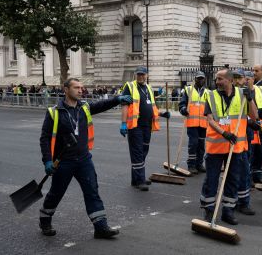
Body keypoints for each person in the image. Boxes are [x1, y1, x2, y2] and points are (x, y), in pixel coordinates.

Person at [39, 78, 132, 238]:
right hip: (63, 162)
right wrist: (47, 160)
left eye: (82, 87)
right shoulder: (54, 112)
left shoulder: (84, 107)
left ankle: (100, 227)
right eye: (76, 87)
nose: (81, 90)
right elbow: (45, 138)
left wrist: (117, 99)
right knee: (56, 193)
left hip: (83, 160)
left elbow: (101, 105)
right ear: (66, 89)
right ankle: (45, 219)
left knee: (92, 191)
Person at [200, 69, 258, 225]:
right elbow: (211, 120)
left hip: (235, 147)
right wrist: (224, 133)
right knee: (211, 179)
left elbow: (254, 117)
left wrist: (250, 99)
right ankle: (209, 210)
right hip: (216, 146)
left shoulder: (241, 95)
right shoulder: (211, 95)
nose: (217, 82)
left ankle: (228, 211)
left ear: (230, 80)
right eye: (216, 79)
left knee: (232, 180)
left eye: (220, 79)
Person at [120, 66, 170, 191]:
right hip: (135, 126)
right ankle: (140, 179)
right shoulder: (130, 86)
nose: (140, 76)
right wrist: (123, 123)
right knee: (137, 152)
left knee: (143, 151)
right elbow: (125, 106)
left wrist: (162, 113)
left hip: (147, 125)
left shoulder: (148, 88)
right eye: (138, 74)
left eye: (143, 74)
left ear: (147, 75)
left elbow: (152, 106)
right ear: (135, 75)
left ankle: (136, 179)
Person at [233, 69, 257, 215]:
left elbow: (253, 115)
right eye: (234, 78)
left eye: (240, 78)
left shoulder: (246, 94)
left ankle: (243, 202)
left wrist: (250, 100)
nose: (237, 81)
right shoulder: (227, 94)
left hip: (243, 137)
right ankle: (232, 200)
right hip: (229, 137)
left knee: (244, 171)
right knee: (233, 172)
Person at [179, 71, 208, 174]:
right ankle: (191, 164)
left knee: (201, 144)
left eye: (202, 78)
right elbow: (182, 104)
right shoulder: (188, 90)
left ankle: (199, 164)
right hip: (192, 122)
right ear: (195, 79)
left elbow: (209, 107)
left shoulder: (207, 92)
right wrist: (183, 109)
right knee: (193, 144)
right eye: (199, 78)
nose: (200, 80)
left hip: (203, 124)